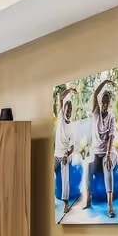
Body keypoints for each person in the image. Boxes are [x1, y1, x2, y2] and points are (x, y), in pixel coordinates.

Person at [91, 78, 118, 219]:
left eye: (107, 102)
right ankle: (87, 200)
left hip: (110, 152)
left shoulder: (111, 118)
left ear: (110, 104)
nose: (105, 104)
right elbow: (95, 93)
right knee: (89, 166)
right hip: (97, 152)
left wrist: (107, 155)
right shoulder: (96, 113)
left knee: (107, 166)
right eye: (103, 101)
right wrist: (106, 81)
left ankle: (110, 205)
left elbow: (111, 137)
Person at [54, 92, 76, 222]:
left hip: (66, 155)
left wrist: (67, 154)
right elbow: (61, 97)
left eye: (70, 109)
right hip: (56, 155)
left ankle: (65, 204)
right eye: (67, 108)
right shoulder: (61, 119)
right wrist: (70, 90)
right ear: (64, 109)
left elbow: (72, 146)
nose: (69, 111)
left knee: (65, 177)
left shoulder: (71, 126)